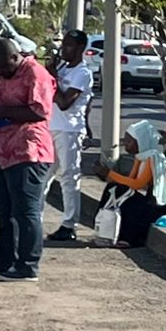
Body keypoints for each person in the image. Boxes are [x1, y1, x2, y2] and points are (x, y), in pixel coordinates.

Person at [0, 38, 56, 282]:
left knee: (26, 210)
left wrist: (3, 112)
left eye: (3, 66)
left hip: (28, 151)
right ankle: (6, 261)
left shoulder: (35, 74)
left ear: (16, 57)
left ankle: (27, 265)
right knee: (4, 210)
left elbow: (39, 111)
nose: (0, 71)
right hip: (2, 153)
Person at [94, 120, 166, 248]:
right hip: (148, 199)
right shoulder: (140, 157)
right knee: (114, 188)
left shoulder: (152, 158)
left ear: (141, 142)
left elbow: (137, 184)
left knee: (129, 202)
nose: (125, 144)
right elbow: (130, 181)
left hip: (156, 204)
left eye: (129, 141)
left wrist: (110, 173)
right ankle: (104, 229)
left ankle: (128, 239)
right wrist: (107, 175)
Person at [46, 30, 93, 242]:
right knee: (44, 175)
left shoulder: (82, 73)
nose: (64, 49)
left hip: (69, 130)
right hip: (52, 126)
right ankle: (34, 217)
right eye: (63, 45)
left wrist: (53, 79)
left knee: (68, 177)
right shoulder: (63, 68)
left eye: (69, 46)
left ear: (81, 48)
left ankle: (69, 223)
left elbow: (65, 102)